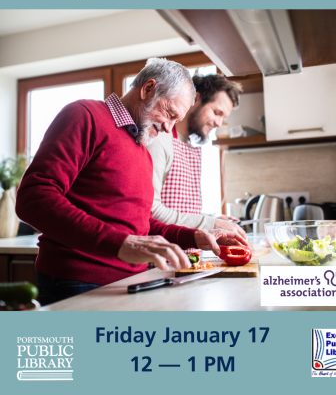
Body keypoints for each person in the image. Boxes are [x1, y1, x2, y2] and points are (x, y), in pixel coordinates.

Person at [16, 58, 247, 306]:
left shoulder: (143, 152)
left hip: (133, 282)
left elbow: (141, 225)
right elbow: (33, 198)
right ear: (147, 89)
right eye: (169, 114)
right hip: (77, 282)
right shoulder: (85, 115)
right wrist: (122, 243)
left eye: (176, 120)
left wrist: (196, 237)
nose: (169, 128)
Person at [147, 73, 245, 236]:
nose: (219, 124)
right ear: (195, 99)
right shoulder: (160, 139)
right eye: (216, 112)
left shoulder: (187, 145)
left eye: (223, 117)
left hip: (186, 257)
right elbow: (151, 210)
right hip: (162, 258)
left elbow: (180, 210)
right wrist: (210, 223)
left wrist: (213, 219)